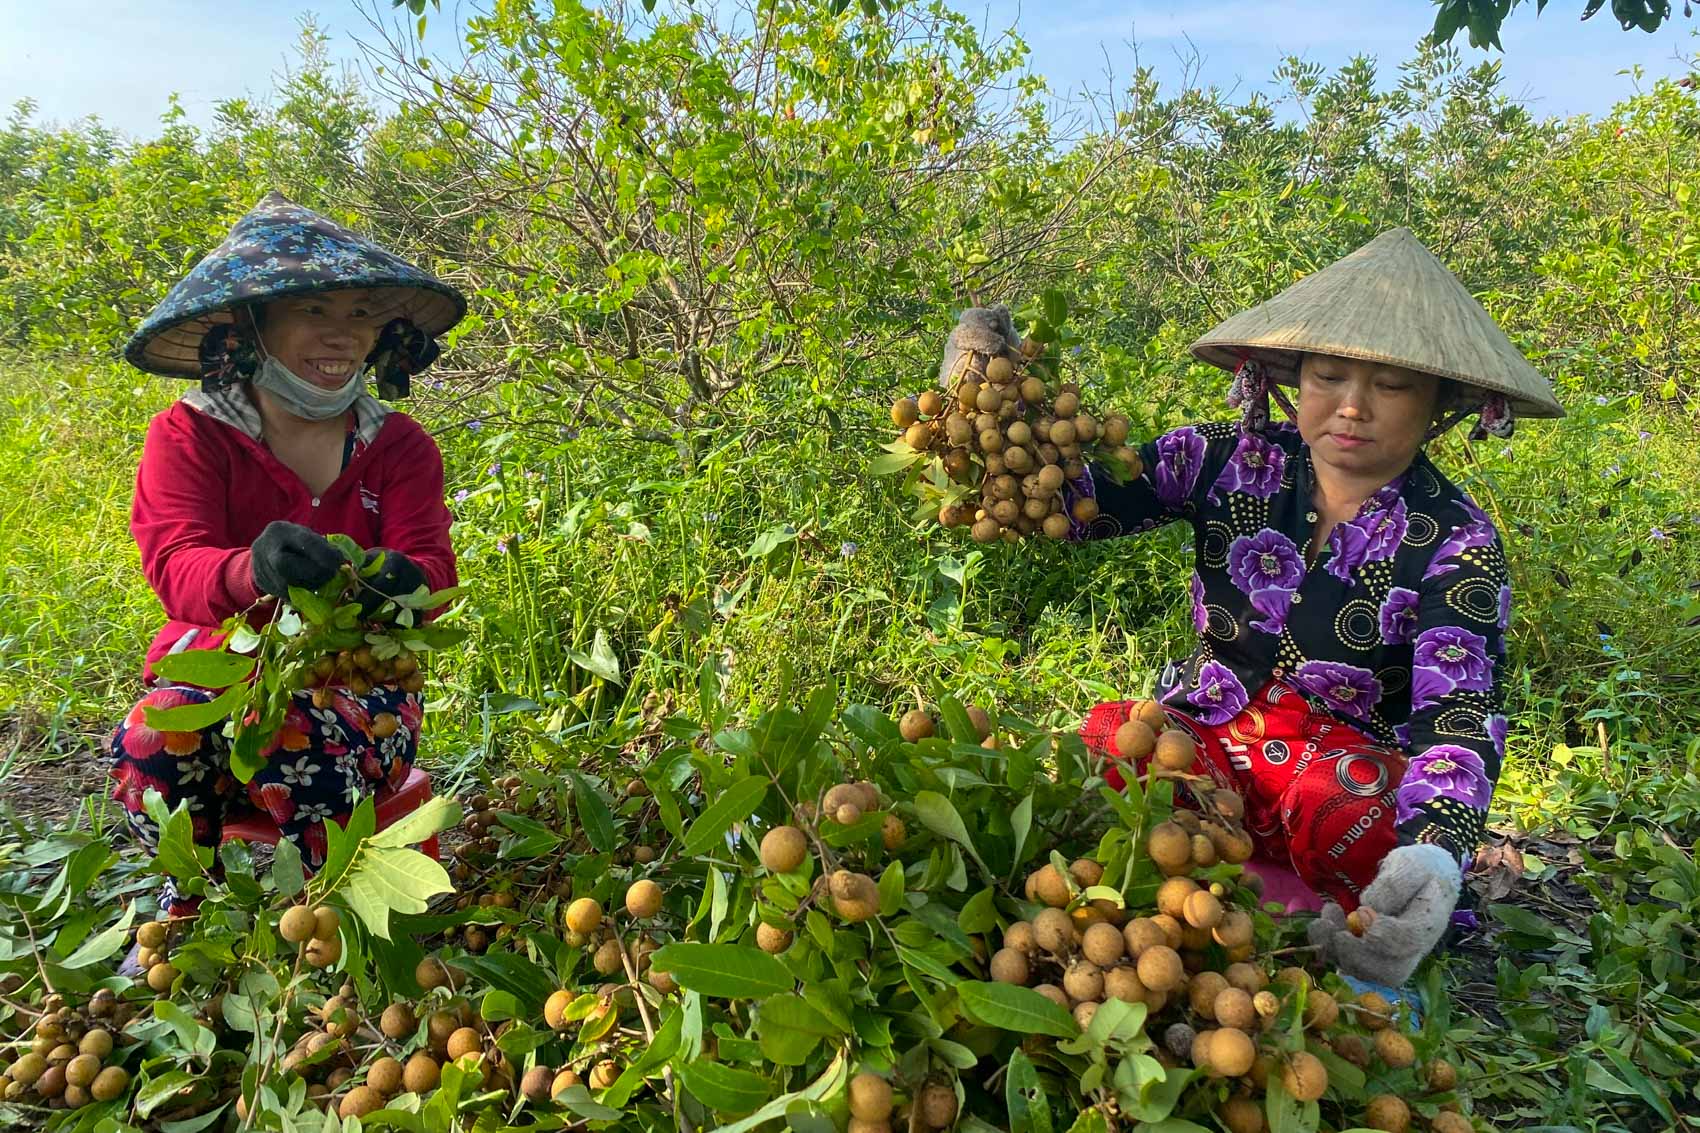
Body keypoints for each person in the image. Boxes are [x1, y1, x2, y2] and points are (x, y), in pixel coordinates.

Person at [1047, 229, 1560, 986]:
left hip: (1340, 778)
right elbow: (1081, 503)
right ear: (1290, 379)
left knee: (1352, 809)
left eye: (1389, 386)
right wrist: (991, 410)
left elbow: (1457, 716)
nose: (1352, 407)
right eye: (1329, 375)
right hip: (1213, 737)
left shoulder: (1458, 541)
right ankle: (1224, 891)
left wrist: (1434, 853)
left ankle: (1311, 920)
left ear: (1441, 406)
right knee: (1107, 743)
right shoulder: (1223, 458)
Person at [108, 192, 466, 916]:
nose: (341, 336)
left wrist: (399, 581)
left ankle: (335, 906)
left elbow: (432, 571)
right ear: (252, 327)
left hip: (362, 690)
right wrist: (252, 569)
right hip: (227, 671)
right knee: (154, 732)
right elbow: (177, 564)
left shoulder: (398, 448)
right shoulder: (189, 437)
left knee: (294, 728)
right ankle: (204, 902)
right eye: (315, 312)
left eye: (360, 314)